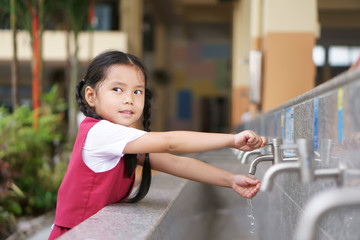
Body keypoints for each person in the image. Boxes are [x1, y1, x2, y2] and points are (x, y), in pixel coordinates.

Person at [48, 50, 266, 240]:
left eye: (137, 91)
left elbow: (175, 163)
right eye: (117, 89)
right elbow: (170, 144)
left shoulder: (123, 140)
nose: (129, 99)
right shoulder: (100, 133)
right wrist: (231, 140)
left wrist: (231, 180)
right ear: (91, 96)